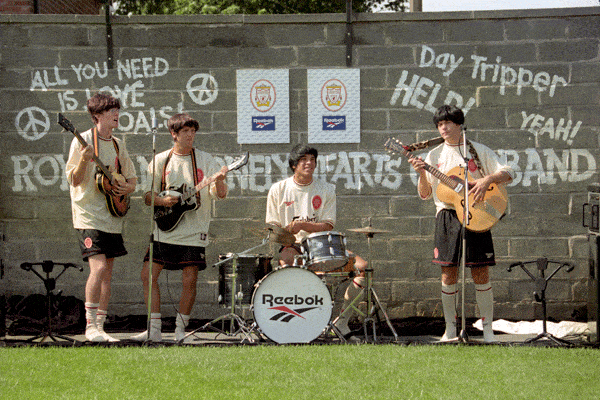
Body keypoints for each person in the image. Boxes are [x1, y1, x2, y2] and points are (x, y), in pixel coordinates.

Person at [407, 105, 514, 343]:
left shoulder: (477, 150)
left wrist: (487, 180)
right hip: (447, 215)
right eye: (439, 124)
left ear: (459, 125)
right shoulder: (433, 156)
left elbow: (508, 173)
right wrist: (422, 173)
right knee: (448, 273)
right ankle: (450, 330)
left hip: (477, 213)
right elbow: (425, 195)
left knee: (481, 272)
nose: (442, 128)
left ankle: (487, 331)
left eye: (447, 123)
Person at [131, 113, 228, 342]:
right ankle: (154, 329)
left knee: (189, 280)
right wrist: (163, 201)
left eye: (193, 131)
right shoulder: (161, 160)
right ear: (173, 134)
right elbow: (147, 196)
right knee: (148, 275)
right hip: (164, 230)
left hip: (194, 232)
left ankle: (180, 330)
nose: (190, 136)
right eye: (185, 132)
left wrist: (220, 179)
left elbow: (220, 194)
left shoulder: (205, 160)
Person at [265, 144, 367, 340]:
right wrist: (287, 233)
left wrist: (304, 225)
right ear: (294, 164)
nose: (309, 163)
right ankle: (294, 323)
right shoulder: (278, 189)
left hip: (321, 246)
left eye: (312, 159)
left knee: (362, 268)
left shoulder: (326, 189)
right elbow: (273, 228)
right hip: (293, 245)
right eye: (303, 159)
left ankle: (341, 324)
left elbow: (328, 225)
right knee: (286, 265)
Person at [65, 92, 137, 342]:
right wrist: (84, 161)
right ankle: (89, 327)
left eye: (117, 110)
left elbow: (131, 178)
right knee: (99, 267)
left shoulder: (118, 144)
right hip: (88, 216)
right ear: (97, 117)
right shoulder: (82, 141)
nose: (116, 114)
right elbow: (74, 180)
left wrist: (127, 188)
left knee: (108, 273)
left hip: (112, 215)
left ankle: (101, 327)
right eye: (110, 111)